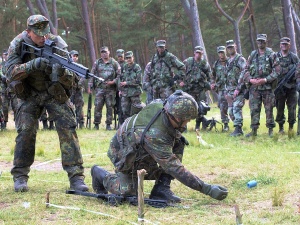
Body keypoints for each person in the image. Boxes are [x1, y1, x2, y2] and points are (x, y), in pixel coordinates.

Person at [90, 90, 228, 203]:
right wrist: (207, 189)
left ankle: (161, 188)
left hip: (140, 147)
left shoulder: (166, 108)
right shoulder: (155, 135)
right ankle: (100, 175)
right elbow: (174, 167)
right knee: (128, 193)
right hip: (123, 154)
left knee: (179, 141)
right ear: (177, 117)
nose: (186, 124)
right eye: (187, 120)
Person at [5, 15, 88, 192]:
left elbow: (73, 76)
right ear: (28, 32)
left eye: (45, 33)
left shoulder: (57, 42)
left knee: (68, 127)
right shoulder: (18, 43)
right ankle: (20, 176)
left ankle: (76, 177)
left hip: (53, 92)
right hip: (28, 93)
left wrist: (60, 71)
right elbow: (9, 73)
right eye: (38, 34)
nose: (43, 38)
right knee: (26, 130)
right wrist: (32, 65)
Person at [238, 34, 281, 137]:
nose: (260, 43)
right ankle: (254, 130)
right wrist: (250, 80)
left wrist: (265, 80)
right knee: (254, 109)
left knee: (269, 109)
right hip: (254, 88)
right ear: (257, 42)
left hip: (267, 87)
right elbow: (245, 70)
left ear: (266, 42)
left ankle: (270, 130)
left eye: (262, 41)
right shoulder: (253, 54)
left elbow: (277, 71)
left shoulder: (271, 54)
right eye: (259, 41)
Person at [88, 46, 121, 130]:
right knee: (98, 106)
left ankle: (108, 124)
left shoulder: (114, 63)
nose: (104, 54)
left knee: (110, 107)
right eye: (102, 52)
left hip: (111, 89)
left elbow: (119, 75)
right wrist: (90, 85)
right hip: (100, 89)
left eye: (105, 52)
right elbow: (92, 74)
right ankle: (96, 124)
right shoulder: (97, 63)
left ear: (109, 52)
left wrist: (113, 81)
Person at [182, 46, 212, 130]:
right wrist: (180, 81)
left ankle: (198, 125)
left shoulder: (204, 63)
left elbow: (209, 75)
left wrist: (209, 84)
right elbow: (180, 71)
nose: (198, 55)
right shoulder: (188, 61)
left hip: (200, 89)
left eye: (200, 53)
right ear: (194, 53)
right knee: (186, 107)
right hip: (189, 89)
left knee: (201, 108)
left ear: (202, 54)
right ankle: (184, 127)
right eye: (197, 53)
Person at [274, 37, 299, 133]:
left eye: (286, 44)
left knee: (292, 107)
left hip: (291, 87)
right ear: (280, 45)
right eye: (283, 44)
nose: (284, 46)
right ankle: (281, 128)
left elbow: (298, 70)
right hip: (279, 87)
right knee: (279, 107)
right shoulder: (275, 56)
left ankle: (291, 127)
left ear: (289, 45)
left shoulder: (294, 57)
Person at [224, 40, 246, 136]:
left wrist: (238, 88)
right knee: (230, 111)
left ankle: (238, 129)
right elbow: (226, 76)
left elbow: (245, 72)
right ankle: (237, 128)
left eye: (231, 47)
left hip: (239, 90)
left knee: (236, 108)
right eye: (228, 48)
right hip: (230, 90)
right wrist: (226, 91)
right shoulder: (228, 61)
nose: (230, 49)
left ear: (235, 47)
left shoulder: (240, 59)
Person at [118, 51, 143, 121]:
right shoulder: (124, 67)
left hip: (134, 93)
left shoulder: (137, 67)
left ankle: (137, 124)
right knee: (125, 110)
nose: (128, 59)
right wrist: (120, 89)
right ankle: (126, 125)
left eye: (130, 58)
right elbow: (121, 79)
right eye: (127, 58)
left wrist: (127, 83)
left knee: (137, 110)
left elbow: (138, 81)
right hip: (125, 93)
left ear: (133, 58)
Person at [211, 46, 230, 131]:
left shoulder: (230, 61)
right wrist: (212, 83)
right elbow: (212, 75)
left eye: (222, 52)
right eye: (219, 53)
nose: (221, 54)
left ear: (225, 52)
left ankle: (238, 124)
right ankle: (225, 124)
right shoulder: (216, 64)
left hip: (231, 87)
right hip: (221, 88)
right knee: (222, 106)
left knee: (234, 107)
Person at [69, 50, 85, 129]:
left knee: (79, 107)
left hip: (78, 90)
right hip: (69, 90)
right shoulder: (67, 66)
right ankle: (71, 123)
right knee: (69, 107)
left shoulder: (80, 66)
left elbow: (83, 77)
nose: (75, 57)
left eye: (76, 56)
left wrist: (78, 84)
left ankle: (81, 124)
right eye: (73, 56)